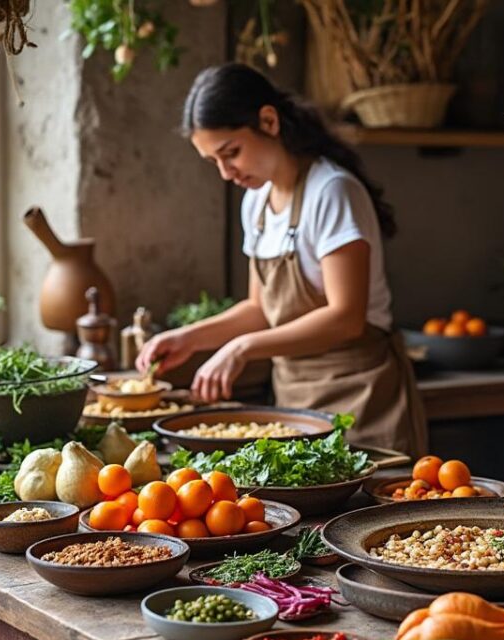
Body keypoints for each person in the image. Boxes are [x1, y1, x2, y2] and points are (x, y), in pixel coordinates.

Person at [137, 63, 427, 456]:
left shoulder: (332, 191)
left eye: (232, 153)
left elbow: (346, 316)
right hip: (295, 404)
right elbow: (261, 309)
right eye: (214, 162)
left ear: (269, 121)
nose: (226, 173)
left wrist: (241, 349)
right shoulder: (256, 203)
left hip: (363, 397)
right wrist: (190, 338)